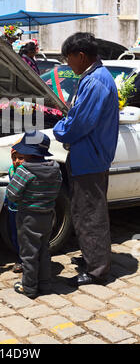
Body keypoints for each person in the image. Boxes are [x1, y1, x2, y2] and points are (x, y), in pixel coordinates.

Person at [53, 32, 119, 287]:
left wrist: (59, 130)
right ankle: (93, 258)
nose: (68, 64)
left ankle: (97, 271)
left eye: (68, 58)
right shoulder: (94, 78)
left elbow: (79, 123)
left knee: (90, 213)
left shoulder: (96, 82)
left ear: (80, 56)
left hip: (90, 157)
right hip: (89, 156)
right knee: (84, 210)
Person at [6, 131, 62, 299]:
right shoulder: (55, 169)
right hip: (47, 215)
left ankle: (29, 287)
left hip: (28, 217)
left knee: (29, 253)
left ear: (28, 152)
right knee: (44, 250)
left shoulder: (24, 171)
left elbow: (11, 194)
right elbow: (56, 191)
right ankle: (45, 284)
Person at [4, 148, 24, 273]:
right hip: (12, 208)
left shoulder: (27, 172)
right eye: (14, 158)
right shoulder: (11, 170)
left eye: (21, 158)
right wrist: (6, 201)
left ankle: (24, 260)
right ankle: (19, 256)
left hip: (24, 210)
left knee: (25, 236)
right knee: (14, 235)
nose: (17, 161)